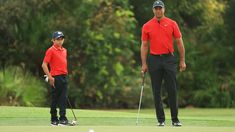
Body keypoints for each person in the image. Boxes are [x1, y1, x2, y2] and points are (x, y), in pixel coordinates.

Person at [140, 0, 186, 127]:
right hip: (154, 59)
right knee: (156, 90)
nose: (158, 10)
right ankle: (161, 120)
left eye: (160, 8)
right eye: (156, 8)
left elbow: (179, 42)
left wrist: (182, 60)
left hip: (169, 59)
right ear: (153, 10)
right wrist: (144, 64)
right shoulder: (147, 26)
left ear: (164, 9)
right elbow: (144, 45)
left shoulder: (172, 23)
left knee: (172, 89)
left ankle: (175, 119)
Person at [42, 31, 69, 126]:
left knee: (63, 98)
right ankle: (54, 118)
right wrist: (50, 77)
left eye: (61, 39)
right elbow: (44, 64)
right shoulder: (51, 50)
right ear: (53, 40)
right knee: (55, 99)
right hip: (55, 78)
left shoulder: (64, 50)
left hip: (64, 77)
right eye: (58, 39)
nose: (60, 41)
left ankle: (63, 118)